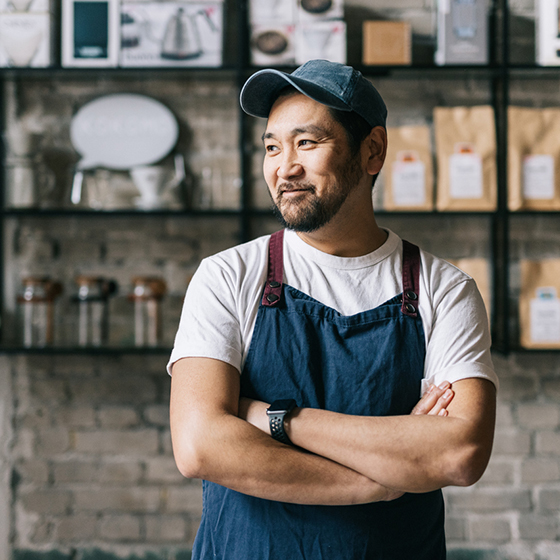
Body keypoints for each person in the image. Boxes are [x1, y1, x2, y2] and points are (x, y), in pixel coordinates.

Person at [169, 59, 498, 560]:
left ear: (372, 151)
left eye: (307, 142)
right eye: (273, 147)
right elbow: (199, 445)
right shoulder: (228, 276)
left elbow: (459, 454)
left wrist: (274, 419)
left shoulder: (444, 289)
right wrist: (378, 481)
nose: (285, 167)